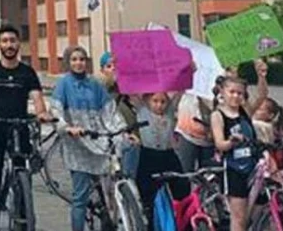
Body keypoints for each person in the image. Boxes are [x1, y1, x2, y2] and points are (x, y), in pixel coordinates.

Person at [0, 25, 48, 231]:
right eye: (4, 41)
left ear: (18, 44)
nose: (9, 45)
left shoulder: (27, 72)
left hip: (20, 126)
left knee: (23, 175)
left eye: (13, 41)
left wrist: (42, 113)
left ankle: (24, 220)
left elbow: (37, 98)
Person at [52, 46, 125, 231]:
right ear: (68, 62)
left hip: (98, 140)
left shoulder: (95, 85)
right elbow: (56, 111)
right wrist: (67, 127)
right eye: (74, 59)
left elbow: (110, 112)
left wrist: (122, 131)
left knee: (109, 193)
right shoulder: (63, 84)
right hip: (77, 144)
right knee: (80, 197)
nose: (79, 63)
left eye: (82, 59)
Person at [210, 62, 269, 231]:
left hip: (252, 166)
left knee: (259, 212)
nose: (236, 96)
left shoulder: (244, 111)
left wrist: (262, 76)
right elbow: (219, 144)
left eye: (239, 93)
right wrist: (231, 142)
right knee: (239, 217)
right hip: (234, 168)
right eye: (232, 92)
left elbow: (262, 96)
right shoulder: (218, 115)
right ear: (222, 92)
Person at [131, 92, 187, 221]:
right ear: (147, 101)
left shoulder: (170, 111)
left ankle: (182, 219)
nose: (159, 105)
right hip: (148, 155)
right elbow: (131, 92)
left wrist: (189, 72)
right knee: (147, 193)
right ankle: (149, 221)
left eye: (163, 102)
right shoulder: (142, 110)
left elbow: (179, 92)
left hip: (167, 154)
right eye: (155, 101)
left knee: (182, 186)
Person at [98, 51, 139, 176]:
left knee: (130, 172)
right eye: (109, 66)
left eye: (115, 65)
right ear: (102, 70)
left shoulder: (128, 87)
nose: (113, 69)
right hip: (112, 137)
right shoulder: (102, 89)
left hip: (131, 133)